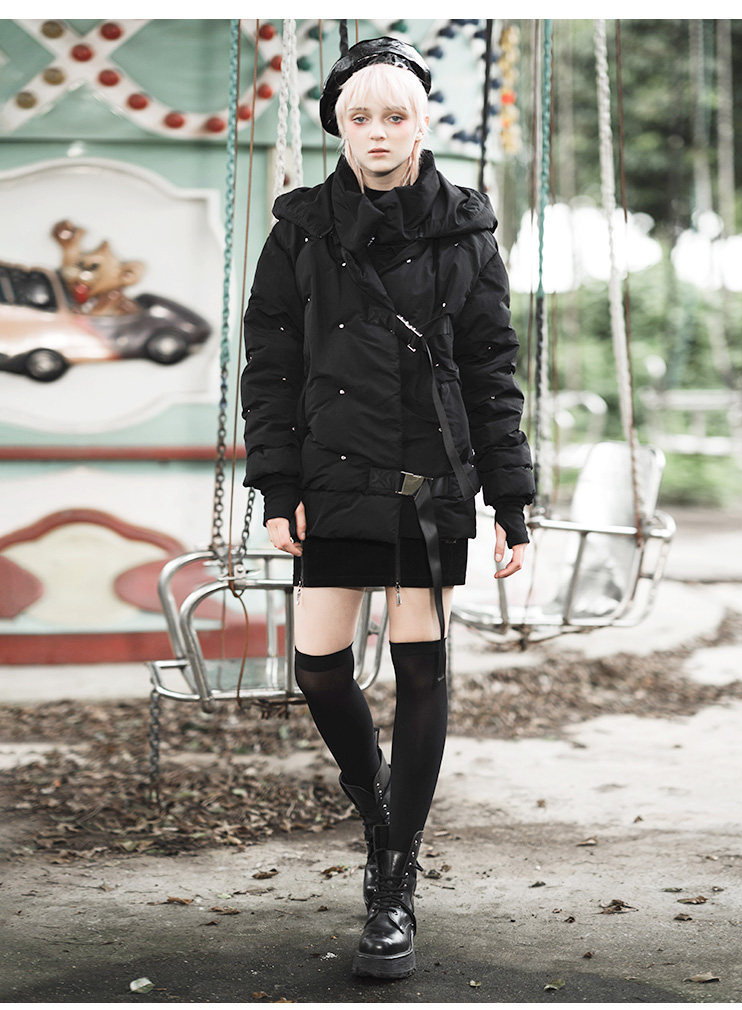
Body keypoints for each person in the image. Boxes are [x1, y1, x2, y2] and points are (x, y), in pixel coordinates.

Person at [241, 36, 535, 981]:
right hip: (331, 474)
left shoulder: (464, 231)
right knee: (319, 667)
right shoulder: (299, 230)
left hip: (425, 480)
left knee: (420, 670)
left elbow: (491, 370)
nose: (377, 132)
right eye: (359, 116)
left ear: (422, 122)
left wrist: (511, 498)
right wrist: (277, 486)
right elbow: (270, 368)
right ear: (338, 124)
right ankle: (376, 802)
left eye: (395, 115)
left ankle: (394, 880)